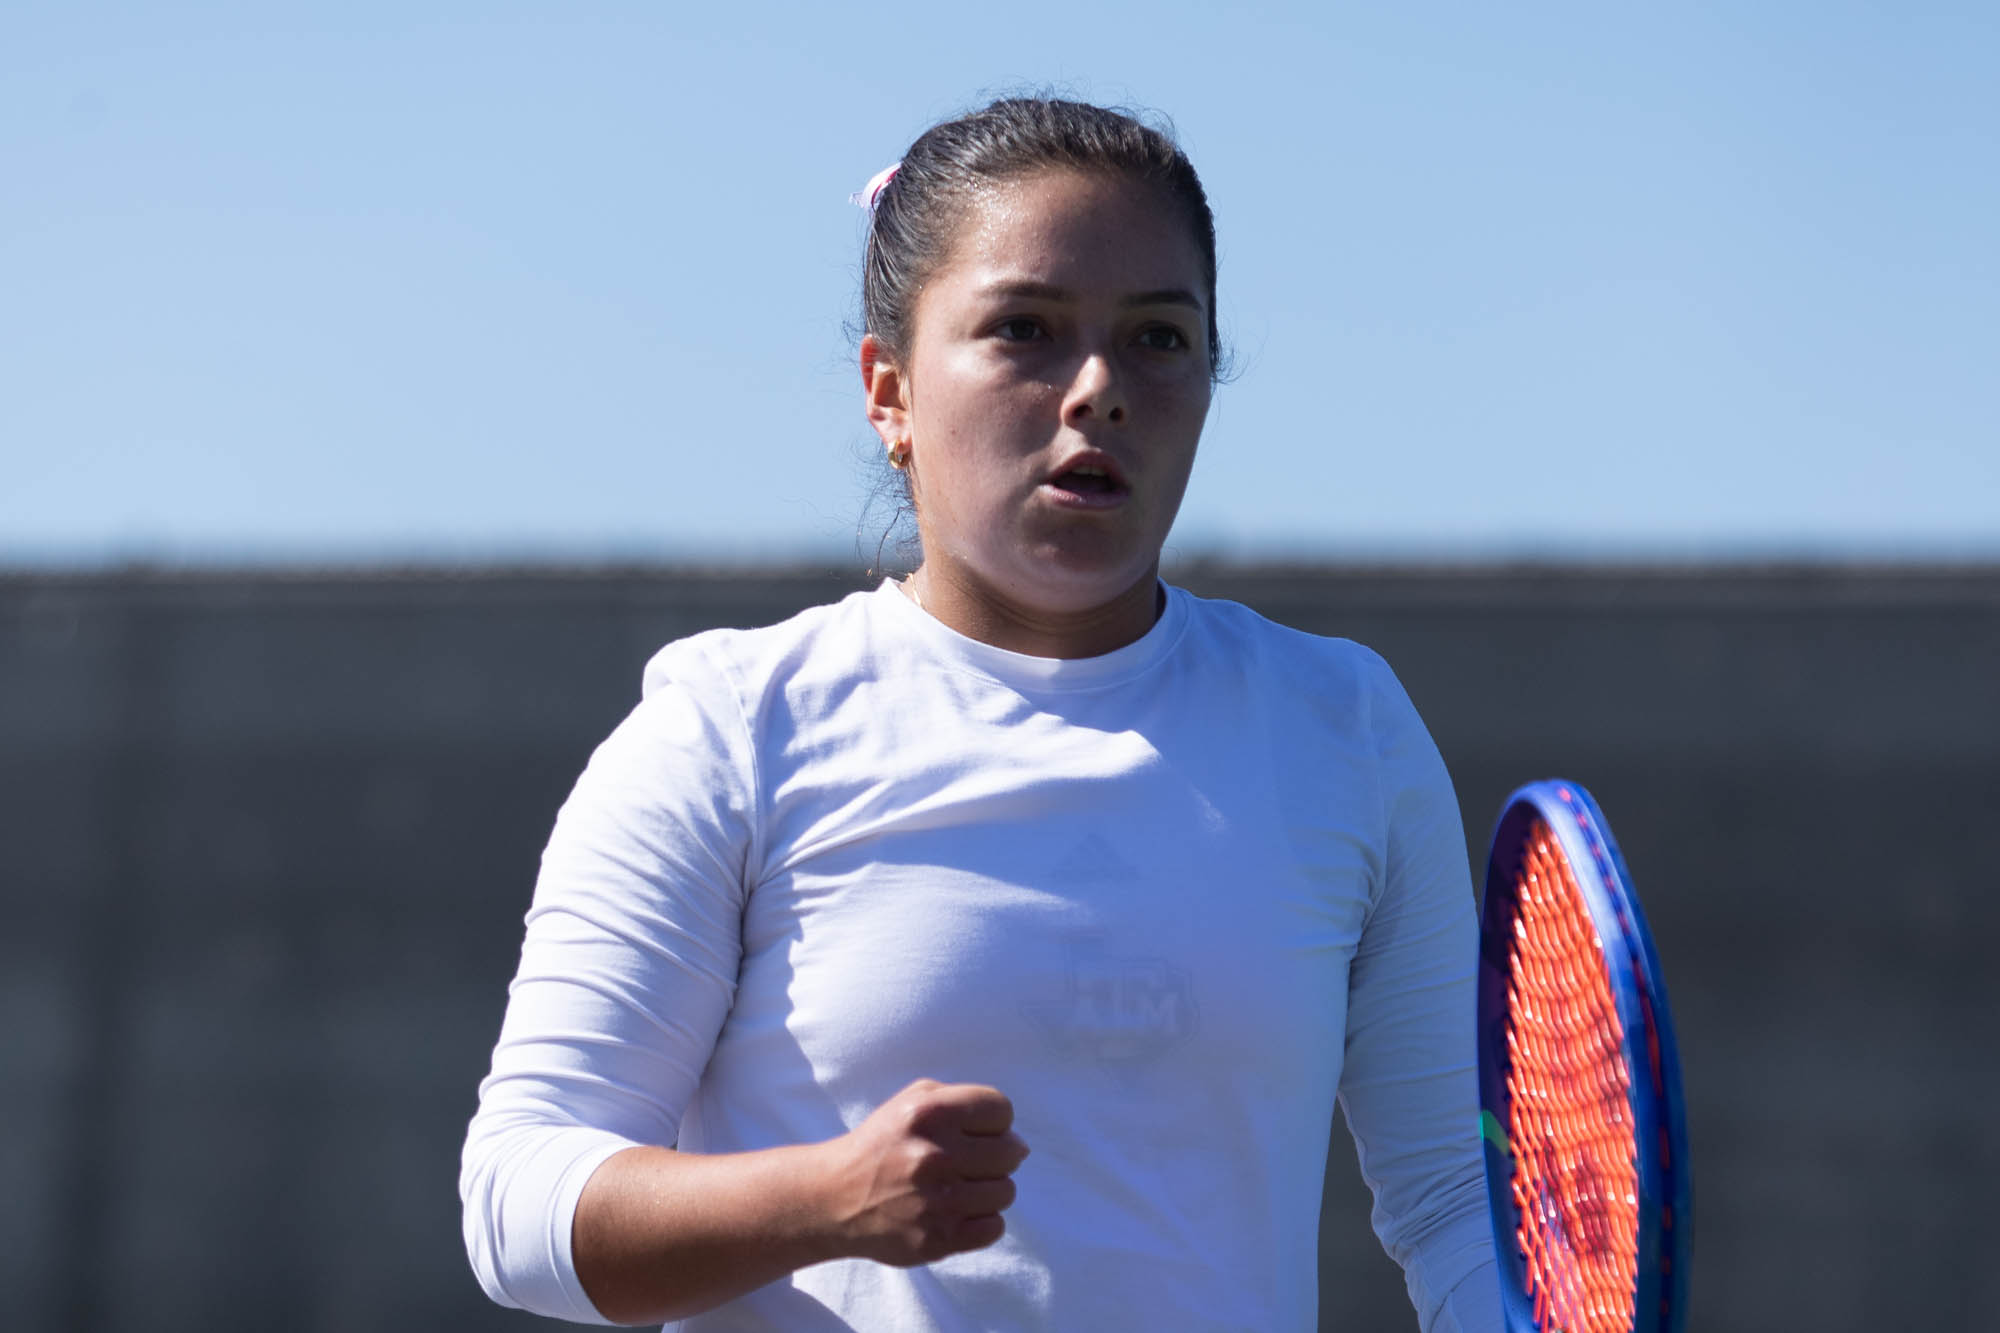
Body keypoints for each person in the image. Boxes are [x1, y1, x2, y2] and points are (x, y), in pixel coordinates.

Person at [460, 97, 1500, 1331]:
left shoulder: (1346, 727)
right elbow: (515, 1204)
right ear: (888, 390)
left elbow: (1454, 1199)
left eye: (1158, 338)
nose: (1098, 388)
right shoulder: (728, 726)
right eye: (1024, 330)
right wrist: (820, 1198)